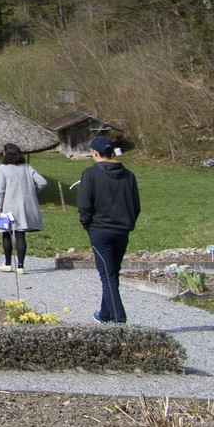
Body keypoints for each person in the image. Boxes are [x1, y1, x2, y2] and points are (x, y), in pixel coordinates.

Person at [78, 135, 140, 324]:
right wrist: (129, 223)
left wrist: (85, 223)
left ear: (95, 153)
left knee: (107, 275)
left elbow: (84, 204)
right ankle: (104, 314)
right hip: (122, 230)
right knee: (112, 272)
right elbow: (136, 205)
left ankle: (119, 319)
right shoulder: (129, 175)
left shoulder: (90, 174)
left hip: (100, 230)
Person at [0, 142, 46, 273]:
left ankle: (7, 264)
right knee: (20, 235)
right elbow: (43, 182)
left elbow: (0, 190)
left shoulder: (2, 169)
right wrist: (32, 193)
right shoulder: (27, 167)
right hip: (24, 207)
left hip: (7, 205)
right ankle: (21, 266)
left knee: (6, 233)